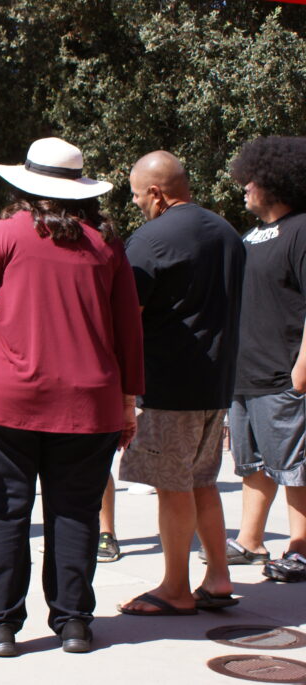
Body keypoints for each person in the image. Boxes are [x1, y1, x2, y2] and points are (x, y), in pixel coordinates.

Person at [0, 137, 144, 656]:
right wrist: (129, 403)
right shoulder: (106, 244)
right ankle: (75, 623)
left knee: (4, 511)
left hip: (4, 400)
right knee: (76, 512)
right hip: (90, 402)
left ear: (27, 185)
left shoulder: (5, 233)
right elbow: (129, 329)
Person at [117, 150, 245, 616]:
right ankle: (218, 575)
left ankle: (176, 587)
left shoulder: (150, 240)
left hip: (170, 385)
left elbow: (128, 319)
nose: (137, 206)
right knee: (202, 482)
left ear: (155, 192)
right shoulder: (229, 233)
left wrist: (122, 389)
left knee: (173, 487)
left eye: (137, 197)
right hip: (217, 384)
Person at [224, 136, 306, 583]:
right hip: (244, 374)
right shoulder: (249, 236)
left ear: (275, 182)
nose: (245, 187)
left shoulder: (302, 230)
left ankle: (301, 547)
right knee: (252, 463)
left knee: (296, 467)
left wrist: (302, 369)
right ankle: (250, 540)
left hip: (285, 373)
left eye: (251, 180)